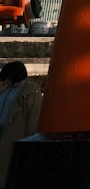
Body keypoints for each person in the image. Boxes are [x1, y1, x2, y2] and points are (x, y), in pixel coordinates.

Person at [0, 61, 43, 189]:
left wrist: (28, 142)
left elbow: (33, 120)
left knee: (6, 167)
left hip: (12, 133)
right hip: (2, 128)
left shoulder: (31, 93)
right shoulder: (5, 88)